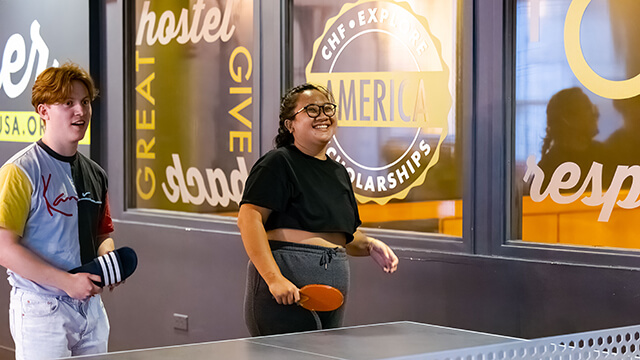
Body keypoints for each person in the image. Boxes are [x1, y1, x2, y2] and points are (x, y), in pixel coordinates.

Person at [237, 83, 399, 336]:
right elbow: (249, 219)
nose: (322, 115)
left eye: (327, 108)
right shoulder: (278, 162)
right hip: (285, 292)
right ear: (290, 125)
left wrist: (369, 245)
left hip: (334, 292)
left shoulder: (338, 172)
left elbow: (339, 235)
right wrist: (273, 279)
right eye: (311, 110)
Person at [0, 62, 118, 359]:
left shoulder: (96, 174)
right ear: (43, 110)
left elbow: (102, 233)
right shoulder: (20, 171)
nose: (81, 111)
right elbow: (3, 248)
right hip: (41, 310)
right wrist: (67, 282)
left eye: (86, 102)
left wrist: (108, 261)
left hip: (91, 310)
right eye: (68, 103)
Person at [537, 87, 605, 192]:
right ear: (568, 120)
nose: (596, 114)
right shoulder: (547, 169)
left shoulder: (604, 154)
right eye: (587, 108)